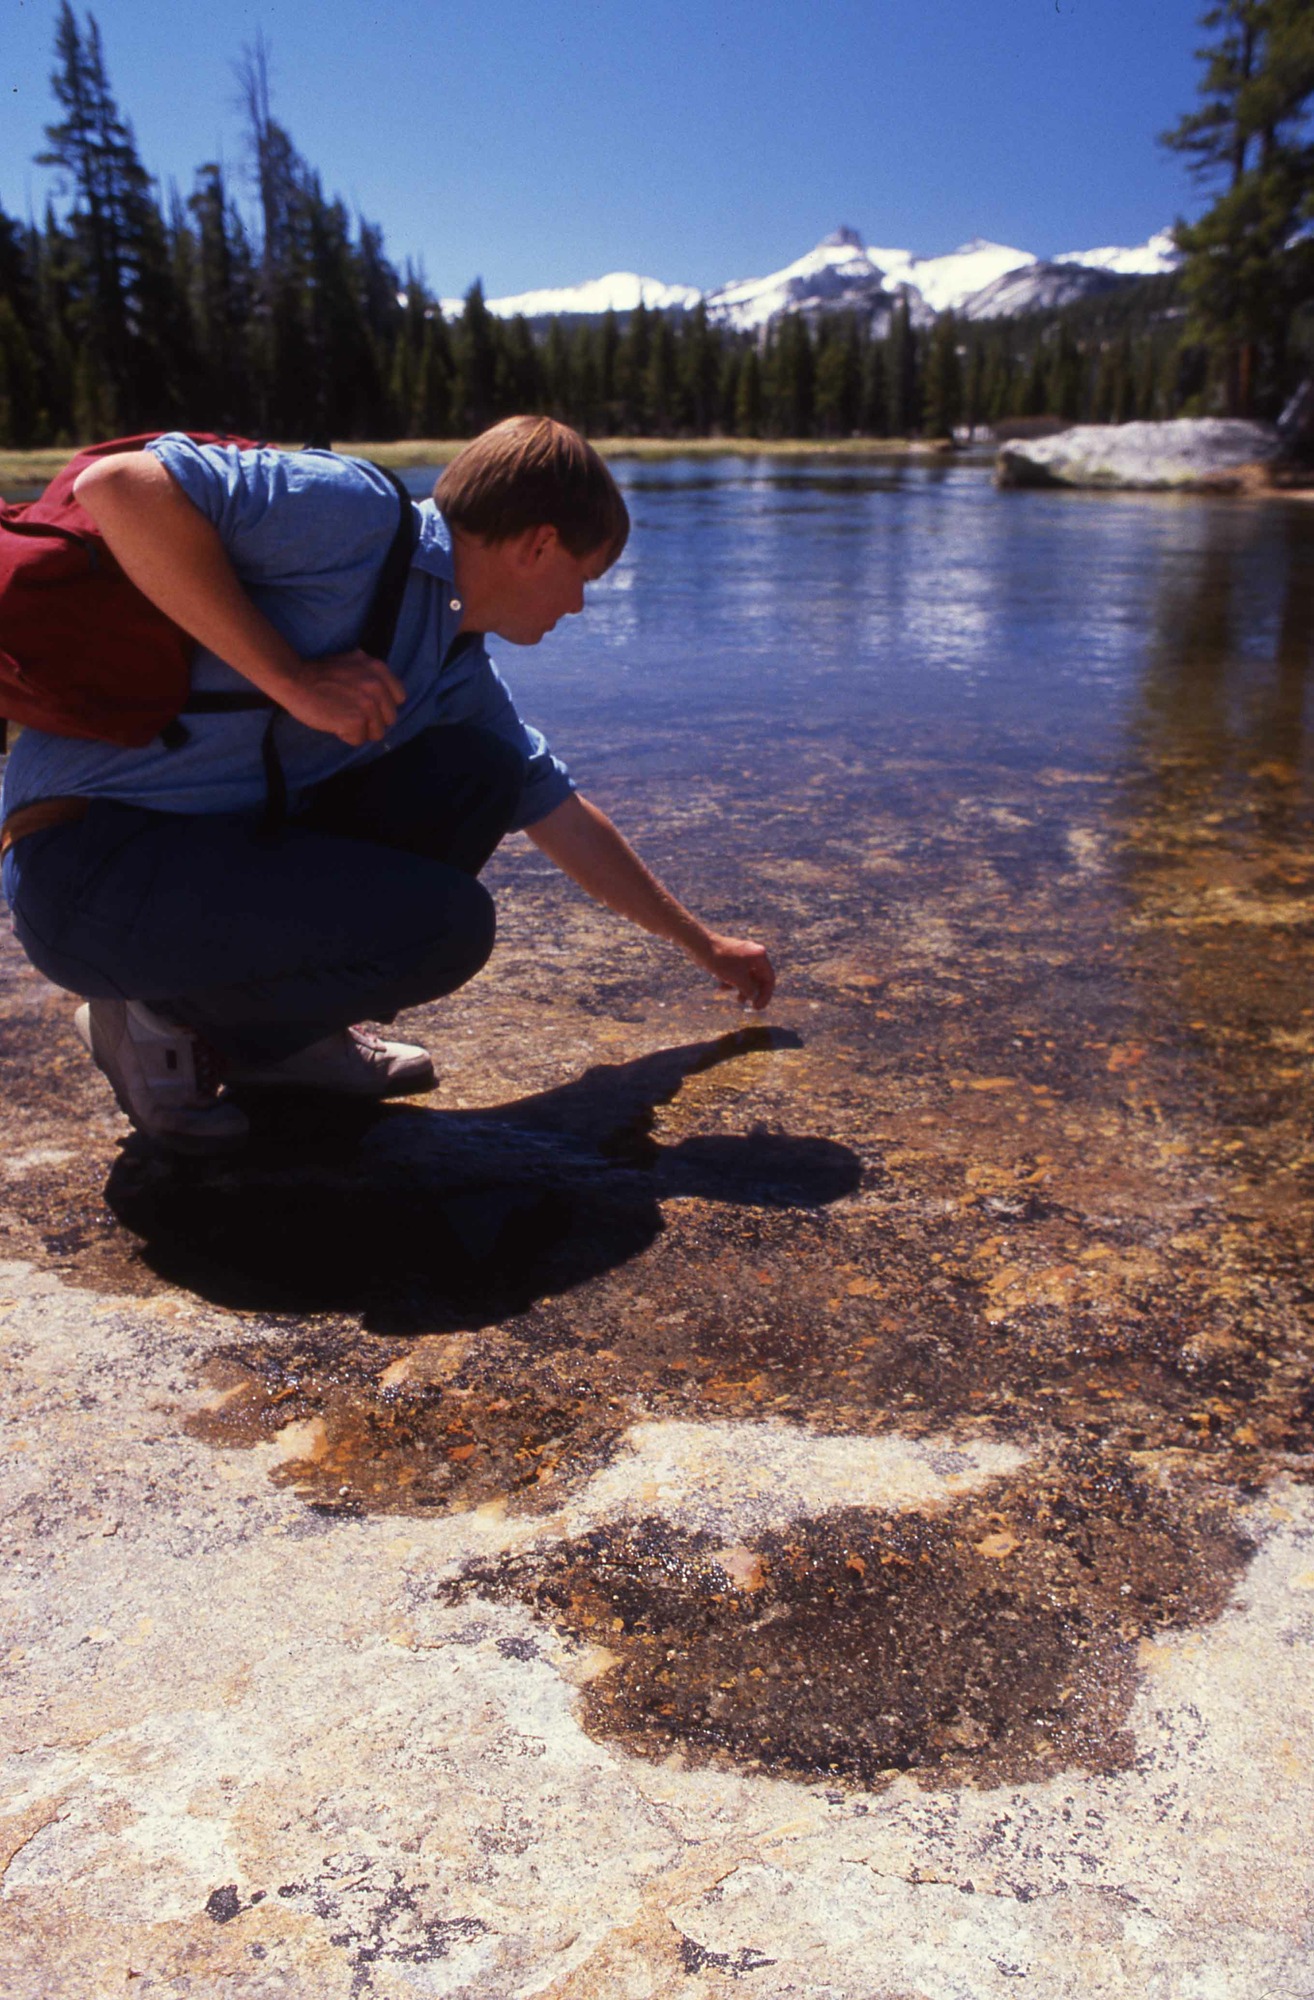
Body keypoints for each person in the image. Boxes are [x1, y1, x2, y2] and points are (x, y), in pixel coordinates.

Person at [0, 417, 775, 1155]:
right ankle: (152, 1022)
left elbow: (561, 814)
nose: (579, 603)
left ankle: (283, 1047)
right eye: (585, 575)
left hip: (193, 858)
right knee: (446, 926)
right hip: (85, 867)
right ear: (540, 545)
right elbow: (122, 485)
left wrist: (703, 945)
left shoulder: (453, 660)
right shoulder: (356, 517)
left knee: (483, 773)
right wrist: (295, 679)